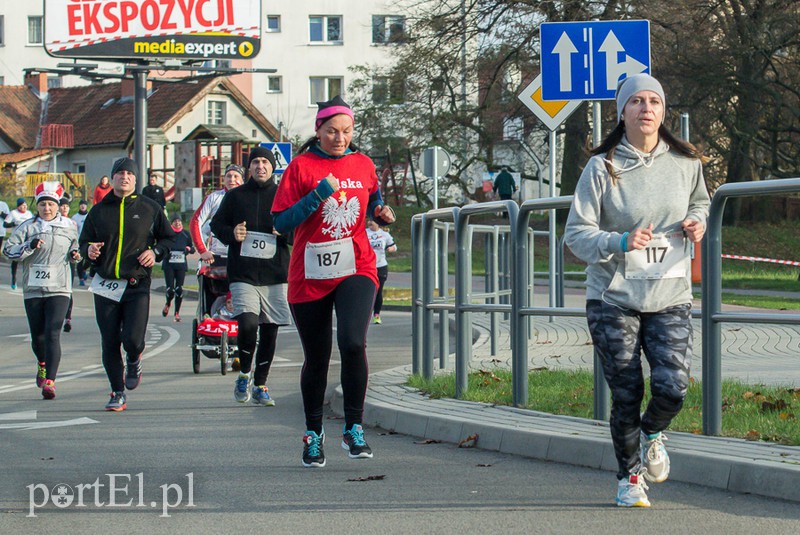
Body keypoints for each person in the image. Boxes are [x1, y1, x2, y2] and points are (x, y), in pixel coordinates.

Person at [564, 74, 710, 508]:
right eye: (637, 102)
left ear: (663, 112)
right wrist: (619, 242)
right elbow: (576, 235)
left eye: (654, 102)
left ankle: (652, 432)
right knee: (626, 390)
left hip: (670, 294)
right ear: (622, 112)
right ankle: (629, 479)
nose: (647, 109)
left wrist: (697, 222)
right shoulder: (602, 166)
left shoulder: (686, 163)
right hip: (614, 297)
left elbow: (700, 201)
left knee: (673, 386)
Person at [272, 95, 396, 468]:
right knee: (318, 356)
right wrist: (317, 195)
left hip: (356, 265)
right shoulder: (301, 167)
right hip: (310, 273)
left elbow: (372, 195)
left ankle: (354, 428)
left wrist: (380, 210)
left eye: (345, 131)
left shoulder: (363, 163)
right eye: (332, 132)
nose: (339, 138)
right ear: (318, 131)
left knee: (353, 343)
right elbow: (280, 223)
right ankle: (313, 434)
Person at [79, 157, 175, 411]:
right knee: (110, 341)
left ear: (135, 179)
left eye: (129, 174)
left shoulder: (150, 208)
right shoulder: (98, 211)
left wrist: (156, 253)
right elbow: (83, 242)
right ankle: (117, 392)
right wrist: (89, 251)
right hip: (106, 284)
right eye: (119, 173)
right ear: (112, 179)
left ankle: (134, 358)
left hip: (136, 284)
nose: (124, 177)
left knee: (132, 339)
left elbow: (169, 239)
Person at [210, 146, 291, 408]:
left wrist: (284, 233)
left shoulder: (283, 195)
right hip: (243, 273)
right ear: (249, 169)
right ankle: (244, 374)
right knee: (247, 324)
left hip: (275, 274)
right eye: (255, 162)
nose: (260, 167)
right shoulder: (235, 196)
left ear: (272, 167)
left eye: (265, 162)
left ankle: (260, 385)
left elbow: (299, 229)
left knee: (270, 332)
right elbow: (216, 225)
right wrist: (232, 232)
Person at [3, 182, 80, 399]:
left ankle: (50, 382)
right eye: (43, 205)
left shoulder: (69, 225)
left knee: (53, 333)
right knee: (38, 337)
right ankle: (42, 363)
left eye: (51, 205)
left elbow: (76, 247)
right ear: (37, 206)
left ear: (58, 206)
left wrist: (76, 255)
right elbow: (8, 251)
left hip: (60, 288)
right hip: (34, 289)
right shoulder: (27, 227)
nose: (47, 209)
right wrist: (28, 246)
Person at [189, 163, 245, 315]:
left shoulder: (248, 197)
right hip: (217, 257)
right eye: (228, 176)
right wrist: (203, 250)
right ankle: (209, 316)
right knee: (210, 288)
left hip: (242, 256)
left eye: (236, 176)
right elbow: (196, 222)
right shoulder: (214, 197)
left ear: (242, 179)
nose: (232, 179)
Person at [161, 215, 195, 322]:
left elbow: (192, 248)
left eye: (179, 221)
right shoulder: (167, 234)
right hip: (169, 265)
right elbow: (161, 246)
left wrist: (187, 249)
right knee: (170, 290)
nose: (177, 223)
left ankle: (176, 313)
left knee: (179, 289)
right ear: (171, 223)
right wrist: (166, 253)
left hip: (181, 265)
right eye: (175, 221)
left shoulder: (185, 234)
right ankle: (168, 303)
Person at [366, 219, 396, 324]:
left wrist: (391, 249)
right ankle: (365, 314)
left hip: (381, 266)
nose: (370, 222)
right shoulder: (364, 233)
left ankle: (377, 315)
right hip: (367, 266)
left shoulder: (384, 235)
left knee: (378, 291)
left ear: (378, 223)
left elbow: (393, 246)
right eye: (368, 220)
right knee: (368, 290)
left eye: (372, 221)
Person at [4, 197, 34, 289]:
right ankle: (14, 278)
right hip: (17, 239)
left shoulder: (29, 214)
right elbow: (5, 224)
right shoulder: (13, 213)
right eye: (22, 205)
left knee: (29, 259)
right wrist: (14, 223)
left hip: (27, 239)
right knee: (15, 260)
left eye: (25, 205)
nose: (24, 207)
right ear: (18, 206)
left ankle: (30, 280)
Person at [59, 197, 78, 333]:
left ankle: (68, 319)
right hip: (56, 262)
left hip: (68, 261)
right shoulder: (53, 223)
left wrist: (75, 254)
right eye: (62, 206)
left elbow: (75, 242)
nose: (64, 208)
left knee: (68, 290)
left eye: (66, 206)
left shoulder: (72, 223)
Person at [71, 200, 90, 285]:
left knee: (89, 260)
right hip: (79, 242)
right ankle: (81, 278)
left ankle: (84, 270)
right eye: (81, 205)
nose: (83, 206)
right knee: (80, 260)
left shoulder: (90, 216)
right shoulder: (75, 217)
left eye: (84, 205)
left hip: (89, 241)